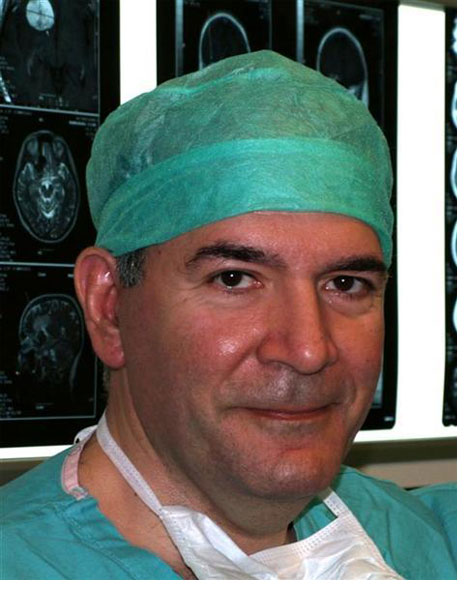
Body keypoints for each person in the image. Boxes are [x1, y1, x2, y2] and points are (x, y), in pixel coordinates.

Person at [1, 51, 456, 580]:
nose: (309, 350)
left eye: (345, 283)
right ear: (109, 306)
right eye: (235, 278)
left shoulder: (439, 541)